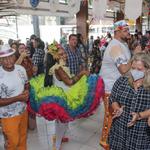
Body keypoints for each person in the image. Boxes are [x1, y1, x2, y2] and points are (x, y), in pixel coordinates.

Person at [29, 41, 104, 150]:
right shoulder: (58, 68)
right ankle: (57, 145)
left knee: (60, 120)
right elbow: (69, 82)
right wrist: (82, 73)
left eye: (64, 53)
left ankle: (59, 138)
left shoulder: (58, 66)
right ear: (55, 57)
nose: (64, 55)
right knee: (62, 122)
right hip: (64, 97)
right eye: (61, 54)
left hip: (63, 95)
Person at [99, 20, 131, 149]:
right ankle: (105, 142)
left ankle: (112, 140)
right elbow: (123, 69)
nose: (128, 32)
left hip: (117, 87)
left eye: (128, 30)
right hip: (110, 88)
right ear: (117, 32)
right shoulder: (115, 46)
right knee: (111, 116)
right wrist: (136, 57)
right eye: (125, 30)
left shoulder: (122, 44)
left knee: (116, 115)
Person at [108, 52, 150, 150]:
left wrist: (139, 115)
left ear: (147, 70)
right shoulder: (122, 81)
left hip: (140, 134)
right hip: (120, 130)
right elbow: (113, 98)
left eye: (139, 69)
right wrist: (117, 108)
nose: (135, 71)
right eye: (133, 68)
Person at [0, 44, 29, 150]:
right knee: (12, 142)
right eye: (4, 58)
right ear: (0, 61)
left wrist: (26, 91)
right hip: (8, 116)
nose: (8, 61)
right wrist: (18, 98)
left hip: (23, 111)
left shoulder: (20, 69)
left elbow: (26, 83)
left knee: (22, 139)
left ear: (15, 56)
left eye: (10, 57)